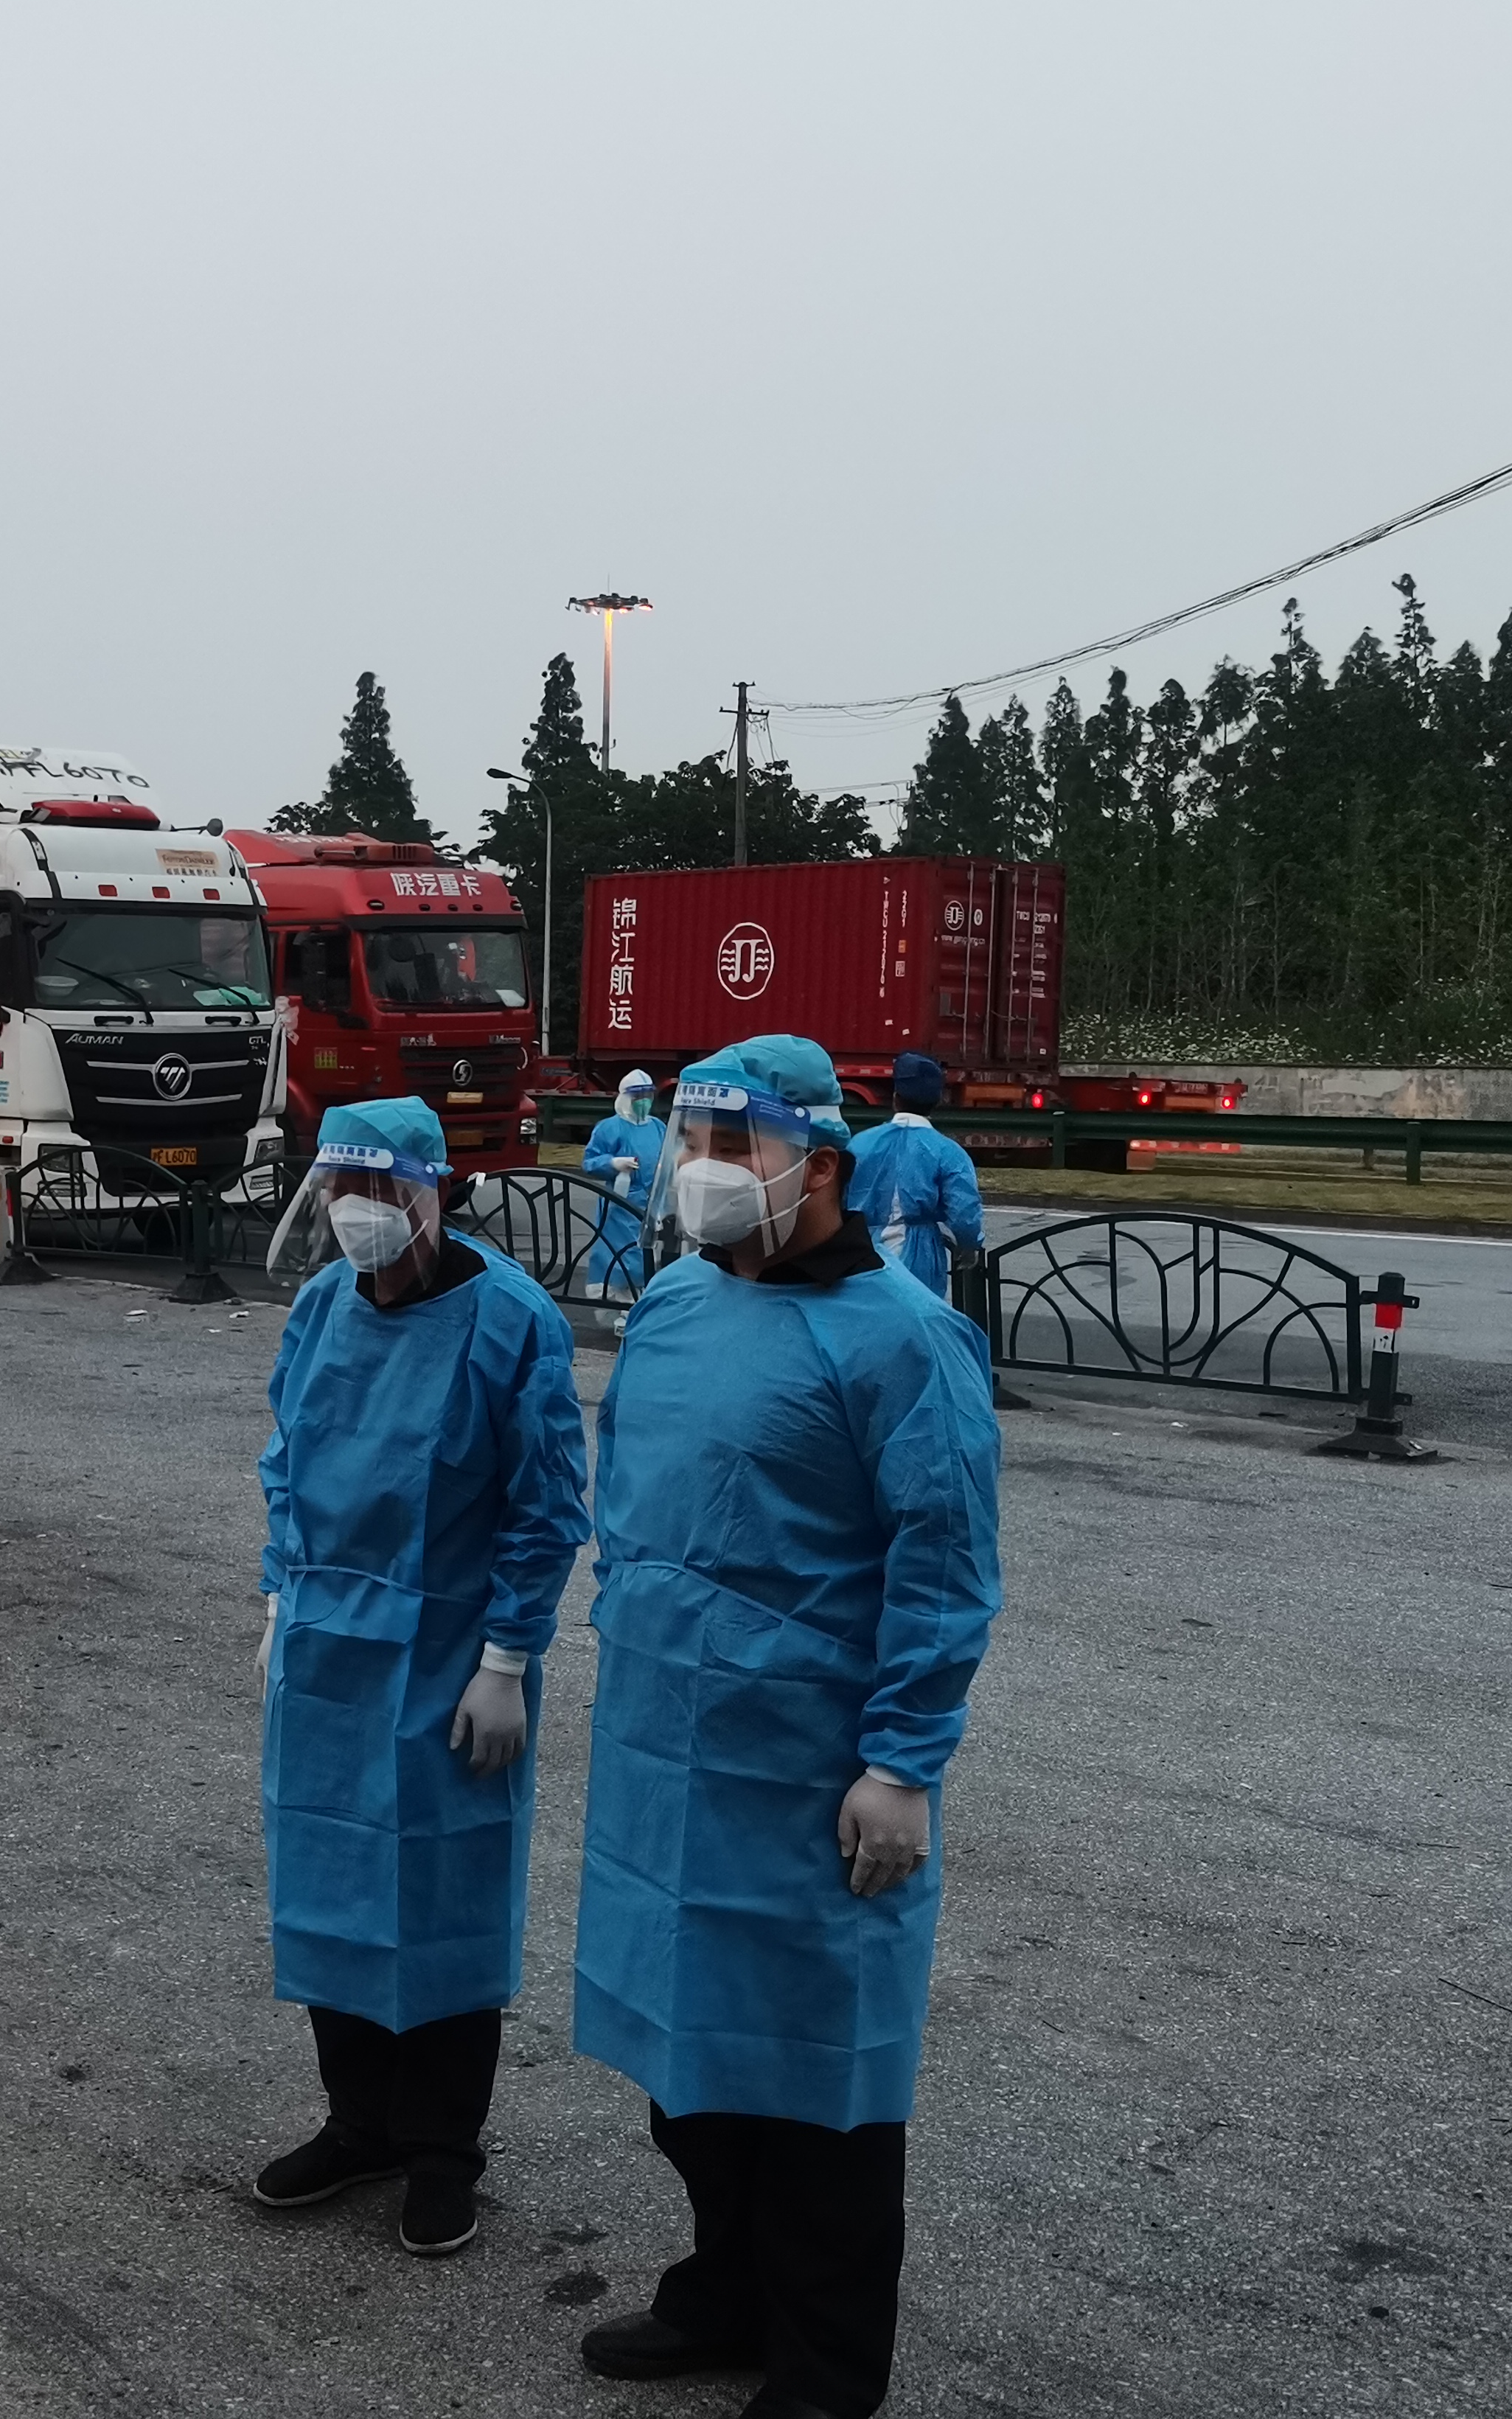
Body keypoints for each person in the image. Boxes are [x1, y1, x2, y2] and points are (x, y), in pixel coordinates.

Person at [568, 1034, 1002, 2419]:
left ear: (817, 1164)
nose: (699, 1170)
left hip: (808, 1762)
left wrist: (901, 1760)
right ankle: (724, 2292)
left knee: (815, 2083)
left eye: (729, 1145)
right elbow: (632, 1493)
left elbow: (943, 1564)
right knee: (689, 2063)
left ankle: (822, 2370)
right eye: (688, 1142)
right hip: (665, 1747)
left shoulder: (902, 1339)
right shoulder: (677, 1298)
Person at [252, 1095, 591, 2258]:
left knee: (442, 1900)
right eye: (341, 1190)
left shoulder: (510, 1321)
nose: (360, 1213)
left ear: (434, 1191)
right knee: (334, 1882)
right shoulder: (321, 1304)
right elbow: (288, 1458)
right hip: (327, 1645)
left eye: (381, 1191)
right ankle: (360, 2124)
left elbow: (544, 1505)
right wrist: (278, 1592)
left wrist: (508, 1655)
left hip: (450, 1653)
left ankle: (444, 2150)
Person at [843, 1051, 986, 1301]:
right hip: (920, 1255)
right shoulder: (948, 1152)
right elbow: (964, 1211)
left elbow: (838, 1199)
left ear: (895, 1098)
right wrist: (968, 1245)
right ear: (937, 1101)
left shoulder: (859, 1144)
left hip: (862, 1250)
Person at [582, 1068, 663, 1292]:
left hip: (653, 1200)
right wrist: (613, 1163)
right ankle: (614, 1294)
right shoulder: (610, 1128)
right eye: (638, 1096)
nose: (644, 1101)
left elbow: (669, 1157)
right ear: (626, 1097)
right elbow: (589, 1162)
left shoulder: (658, 1126)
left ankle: (639, 1294)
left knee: (647, 1251)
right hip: (621, 1201)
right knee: (620, 1251)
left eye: (647, 1096)